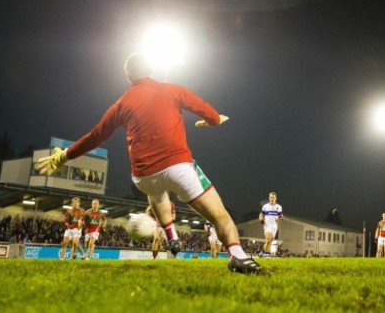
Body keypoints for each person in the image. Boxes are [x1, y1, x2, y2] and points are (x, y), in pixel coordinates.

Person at [35, 53, 265, 274]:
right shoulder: (173, 89)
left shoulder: (121, 103)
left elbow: (95, 136)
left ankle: (171, 235)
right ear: (152, 70)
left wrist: (63, 156)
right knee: (219, 215)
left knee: (156, 192)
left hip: (143, 177)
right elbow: (210, 113)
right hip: (179, 168)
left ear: (128, 77)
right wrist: (213, 121)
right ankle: (238, 256)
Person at [259, 192, 283, 256]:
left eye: (273, 197)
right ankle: (266, 254)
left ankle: (262, 252)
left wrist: (281, 217)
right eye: (270, 197)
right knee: (268, 239)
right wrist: (261, 219)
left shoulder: (279, 207)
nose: (272, 198)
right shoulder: (265, 206)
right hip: (267, 224)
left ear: (276, 198)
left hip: (274, 225)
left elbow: (280, 215)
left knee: (269, 242)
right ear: (269, 198)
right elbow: (261, 214)